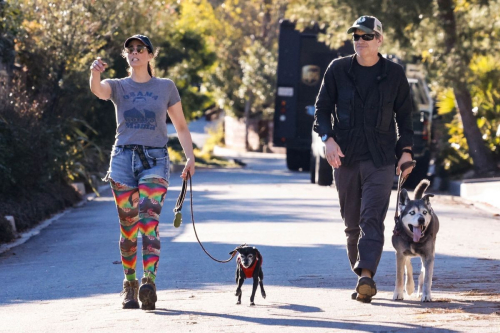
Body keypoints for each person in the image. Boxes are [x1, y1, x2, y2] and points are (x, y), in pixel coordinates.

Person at [89, 34, 195, 310]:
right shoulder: (118, 86)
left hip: (155, 160)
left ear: (150, 55)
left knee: (148, 220)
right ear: (127, 57)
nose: (134, 52)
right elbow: (99, 91)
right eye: (130, 50)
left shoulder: (165, 87)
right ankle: (130, 284)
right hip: (123, 159)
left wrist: (190, 157)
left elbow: (181, 126)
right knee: (128, 228)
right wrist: (94, 73)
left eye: (140, 49)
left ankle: (149, 281)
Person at [314, 16, 414, 303]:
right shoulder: (338, 69)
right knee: (352, 223)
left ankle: (367, 275)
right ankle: (362, 277)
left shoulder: (394, 74)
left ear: (379, 40)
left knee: (372, 218)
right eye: (356, 35)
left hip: (381, 158)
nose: (360, 40)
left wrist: (405, 150)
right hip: (345, 157)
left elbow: (405, 116)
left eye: (367, 36)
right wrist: (327, 139)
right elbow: (321, 110)